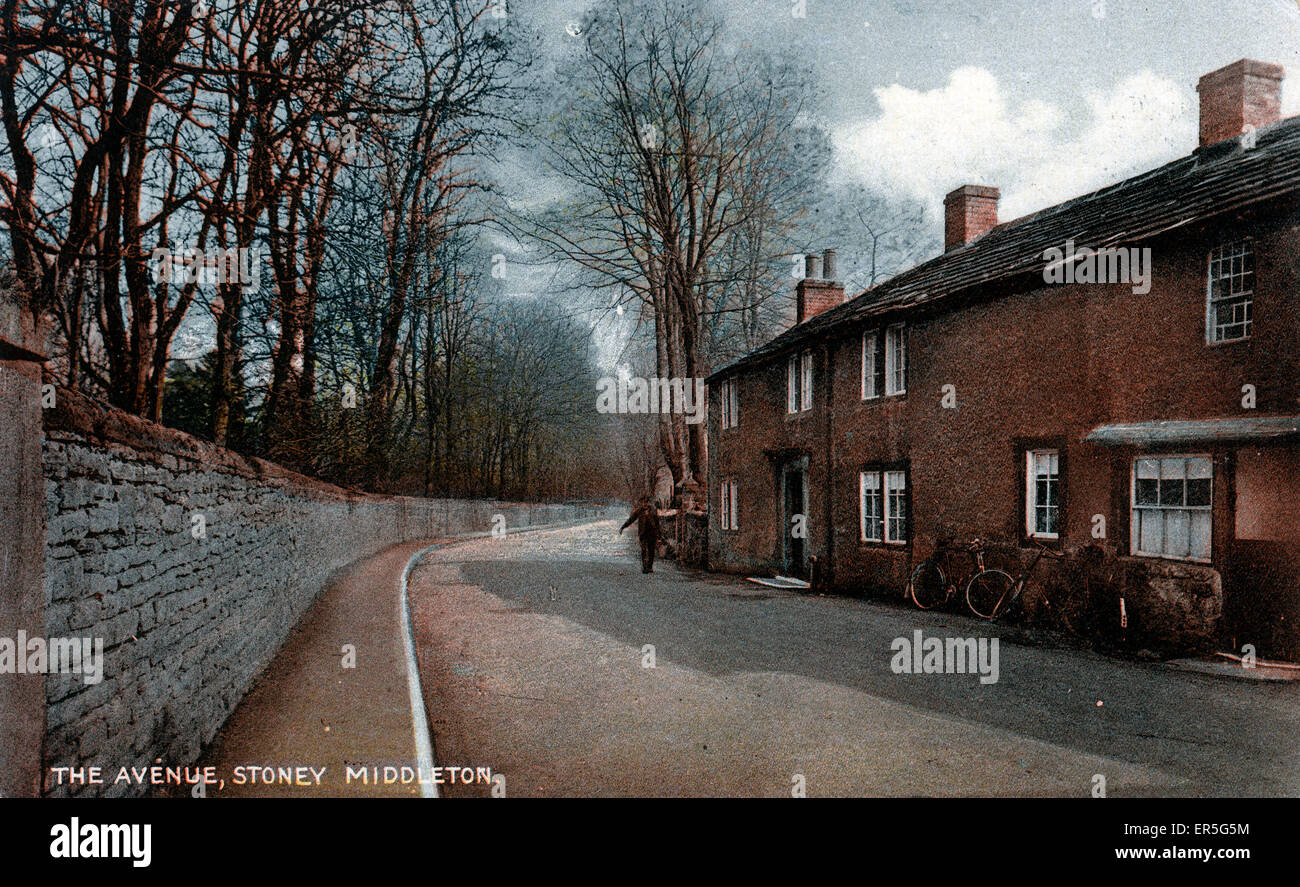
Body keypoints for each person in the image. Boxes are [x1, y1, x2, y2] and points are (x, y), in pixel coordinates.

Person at [619, 496, 661, 574]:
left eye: (646, 502)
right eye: (643, 502)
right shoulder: (639, 511)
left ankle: (650, 567)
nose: (644, 504)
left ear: (648, 503)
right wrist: (623, 527)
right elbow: (631, 519)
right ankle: (645, 567)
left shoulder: (653, 511)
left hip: (652, 534)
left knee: (651, 551)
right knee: (643, 550)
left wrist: (659, 535)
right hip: (643, 534)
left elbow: (657, 523)